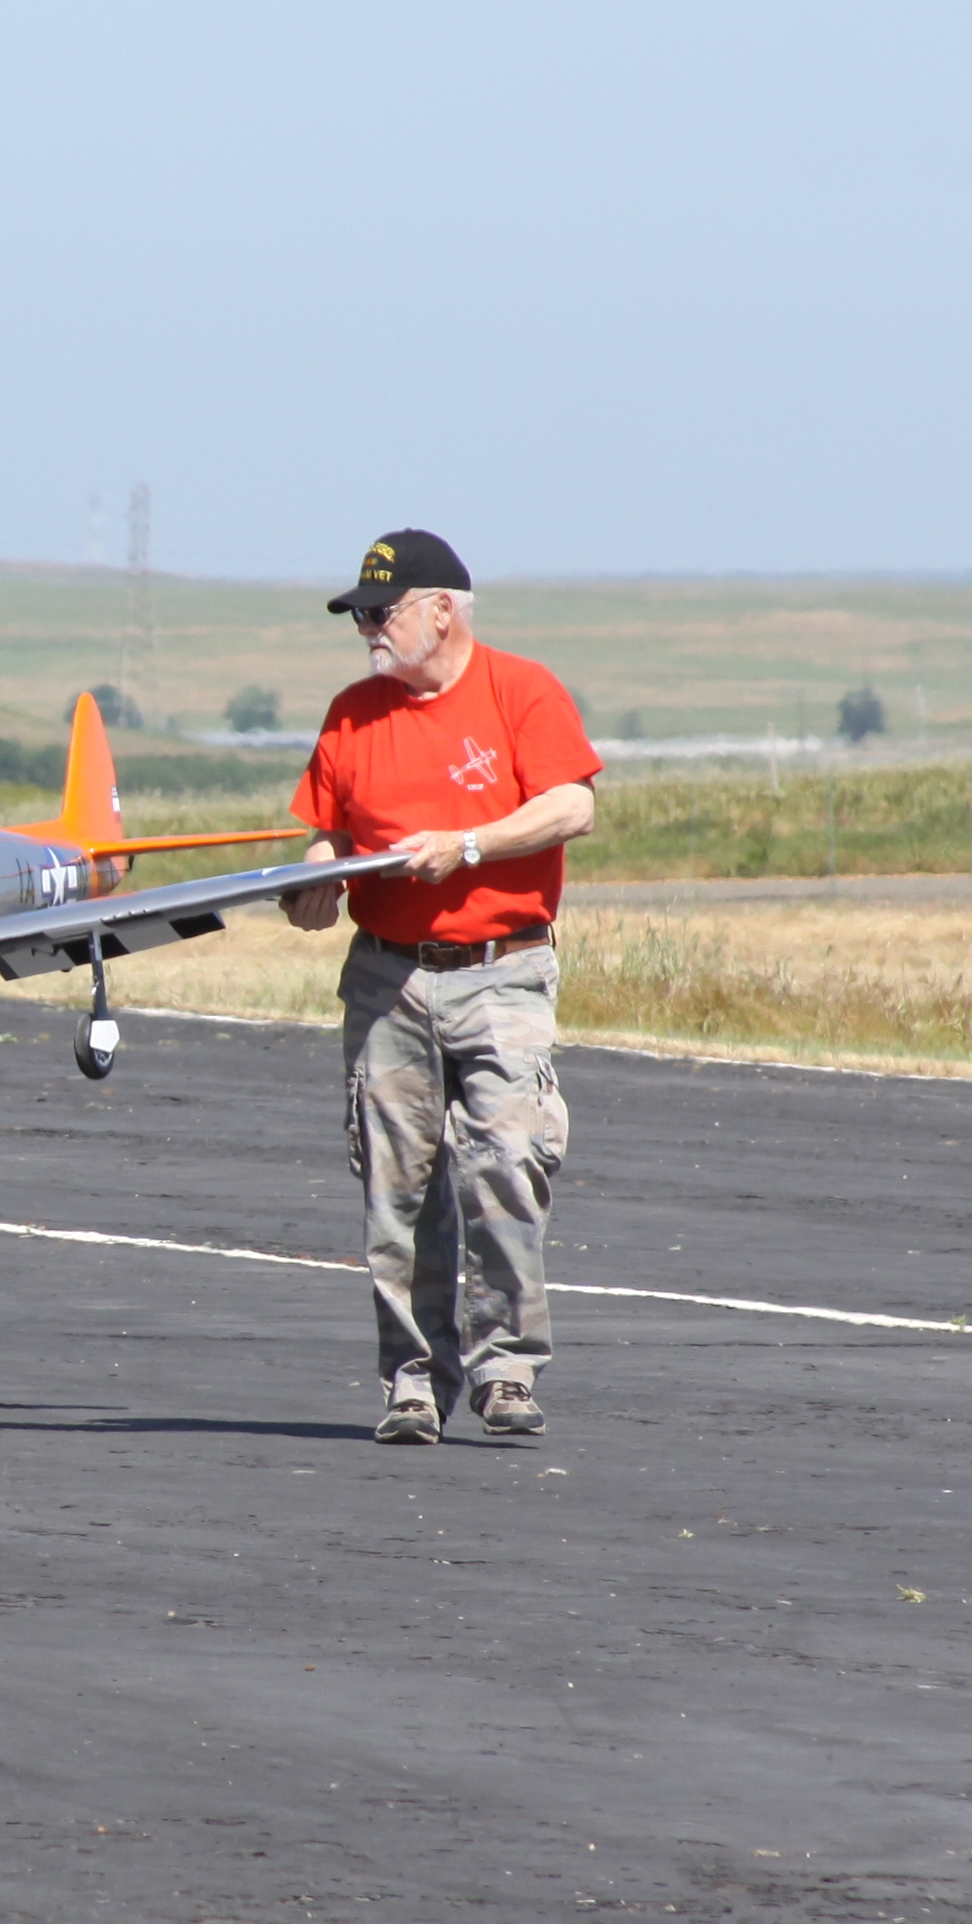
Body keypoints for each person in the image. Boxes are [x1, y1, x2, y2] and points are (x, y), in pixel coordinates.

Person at [278, 530, 598, 1444]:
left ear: (442, 610)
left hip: (502, 969)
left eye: (382, 614)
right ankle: (414, 1382)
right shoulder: (351, 715)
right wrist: (314, 884)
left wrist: (467, 846)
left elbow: (573, 804)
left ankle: (508, 1370)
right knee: (398, 1186)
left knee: (506, 1161)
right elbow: (327, 835)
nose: (369, 631)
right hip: (388, 975)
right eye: (359, 619)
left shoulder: (520, 689)